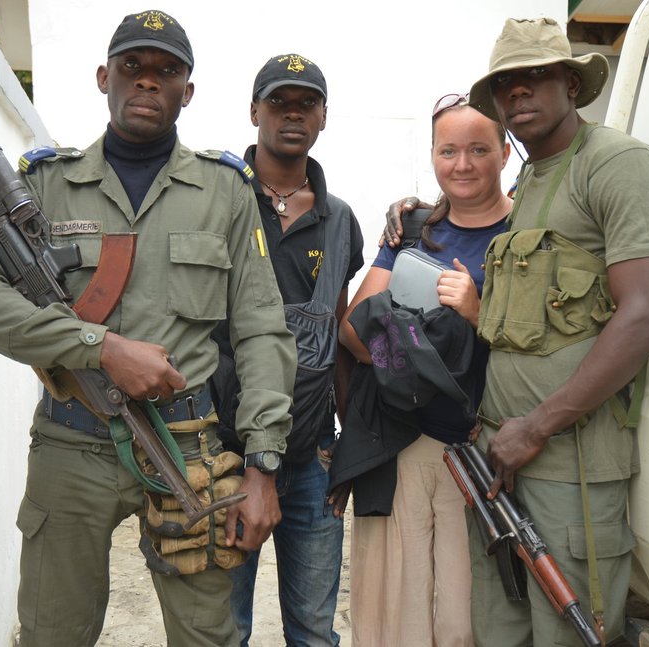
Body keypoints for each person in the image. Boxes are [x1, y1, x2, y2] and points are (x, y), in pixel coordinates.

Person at [0, 10, 297, 647]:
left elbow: (263, 331)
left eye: (166, 72)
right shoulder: (46, 184)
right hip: (72, 441)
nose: (147, 82)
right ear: (104, 77)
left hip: (187, 446)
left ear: (186, 91)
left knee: (207, 636)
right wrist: (97, 346)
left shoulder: (226, 192)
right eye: (132, 67)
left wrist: (264, 465)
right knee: (54, 633)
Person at [387, 18, 649, 647]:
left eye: (536, 77)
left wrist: (536, 427)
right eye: (507, 83)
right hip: (500, 456)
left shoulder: (618, 164)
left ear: (571, 83)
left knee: (573, 631)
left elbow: (647, 314)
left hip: (567, 463)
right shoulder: (532, 182)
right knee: (500, 630)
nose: (519, 93)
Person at [331, 95, 512, 647]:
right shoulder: (412, 230)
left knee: (464, 613)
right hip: (404, 440)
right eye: (449, 150)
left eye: (479, 149)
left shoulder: (529, 234)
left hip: (482, 449)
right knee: (398, 604)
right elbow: (357, 335)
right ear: (432, 155)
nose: (463, 164)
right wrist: (421, 348)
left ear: (505, 152)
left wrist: (478, 313)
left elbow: (537, 347)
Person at [210, 53, 364, 647]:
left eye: (306, 103)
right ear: (255, 111)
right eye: (278, 101)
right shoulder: (219, 199)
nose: (292, 114)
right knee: (226, 630)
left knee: (314, 631)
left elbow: (340, 332)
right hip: (225, 455)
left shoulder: (339, 220)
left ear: (324, 117)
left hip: (311, 459)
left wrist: (348, 445)